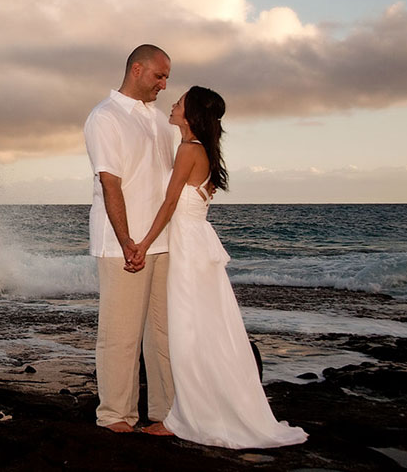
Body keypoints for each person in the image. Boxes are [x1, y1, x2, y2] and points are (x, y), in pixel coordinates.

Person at [133, 86, 308, 448]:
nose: (173, 105)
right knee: (200, 328)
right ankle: (195, 409)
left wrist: (143, 243)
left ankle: (187, 417)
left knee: (188, 331)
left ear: (191, 114)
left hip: (188, 250)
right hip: (195, 244)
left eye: (179, 102)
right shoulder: (202, 151)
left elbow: (168, 206)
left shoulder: (188, 150)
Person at [83, 44, 175, 433]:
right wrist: (126, 241)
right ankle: (115, 417)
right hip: (123, 243)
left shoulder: (161, 122)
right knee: (120, 335)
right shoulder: (105, 117)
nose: (164, 85)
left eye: (167, 77)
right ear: (137, 70)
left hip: (164, 241)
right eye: (159, 76)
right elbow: (110, 183)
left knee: (164, 335)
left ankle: (166, 413)